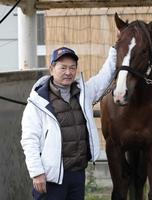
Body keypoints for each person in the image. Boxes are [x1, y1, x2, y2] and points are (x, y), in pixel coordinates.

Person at [21, 45, 116, 200]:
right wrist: (37, 172)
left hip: (77, 173)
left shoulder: (83, 93)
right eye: (63, 67)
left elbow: (103, 78)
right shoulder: (38, 102)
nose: (68, 72)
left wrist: (115, 51)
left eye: (72, 67)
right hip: (51, 177)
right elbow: (29, 140)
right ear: (52, 69)